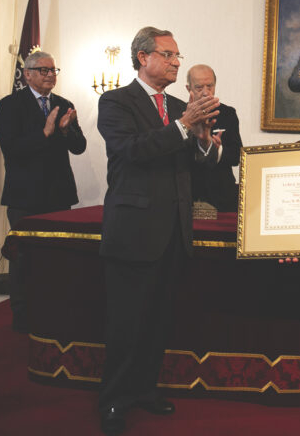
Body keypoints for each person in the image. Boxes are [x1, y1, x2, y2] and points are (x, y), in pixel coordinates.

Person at [96, 26, 220, 435]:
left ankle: (144, 390)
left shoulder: (181, 106)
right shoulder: (115, 101)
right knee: (127, 324)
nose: (176, 62)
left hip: (173, 232)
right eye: (168, 55)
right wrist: (185, 126)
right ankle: (114, 401)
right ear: (142, 57)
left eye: (177, 56)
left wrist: (203, 141)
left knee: (157, 322)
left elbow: (194, 164)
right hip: (134, 231)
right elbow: (131, 151)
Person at [0, 50, 86, 333]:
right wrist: (45, 133)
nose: (50, 75)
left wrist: (67, 131)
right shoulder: (11, 105)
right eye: (43, 70)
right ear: (27, 74)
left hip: (58, 195)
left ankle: (54, 310)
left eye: (53, 70)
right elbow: (11, 147)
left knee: (56, 258)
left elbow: (79, 147)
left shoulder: (64, 103)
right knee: (24, 257)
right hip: (25, 196)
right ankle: (22, 316)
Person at [186, 64, 243, 212]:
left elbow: (237, 156)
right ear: (189, 89)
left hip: (222, 195)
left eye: (210, 86)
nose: (206, 92)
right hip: (188, 194)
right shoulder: (180, 115)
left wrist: (216, 149)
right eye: (199, 87)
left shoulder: (228, 114)